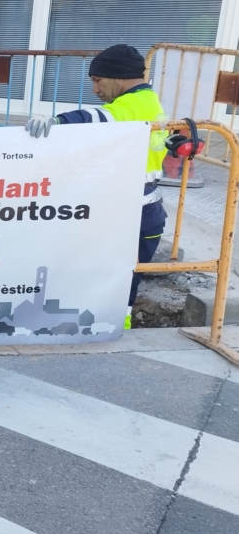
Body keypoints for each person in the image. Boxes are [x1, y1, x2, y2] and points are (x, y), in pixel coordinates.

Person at [25, 44, 167, 329]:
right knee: (126, 277)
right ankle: (115, 327)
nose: (95, 89)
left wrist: (58, 120)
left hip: (135, 215)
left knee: (121, 278)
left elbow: (98, 118)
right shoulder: (146, 102)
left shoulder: (135, 105)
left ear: (119, 77)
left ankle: (114, 331)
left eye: (97, 80)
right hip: (143, 213)